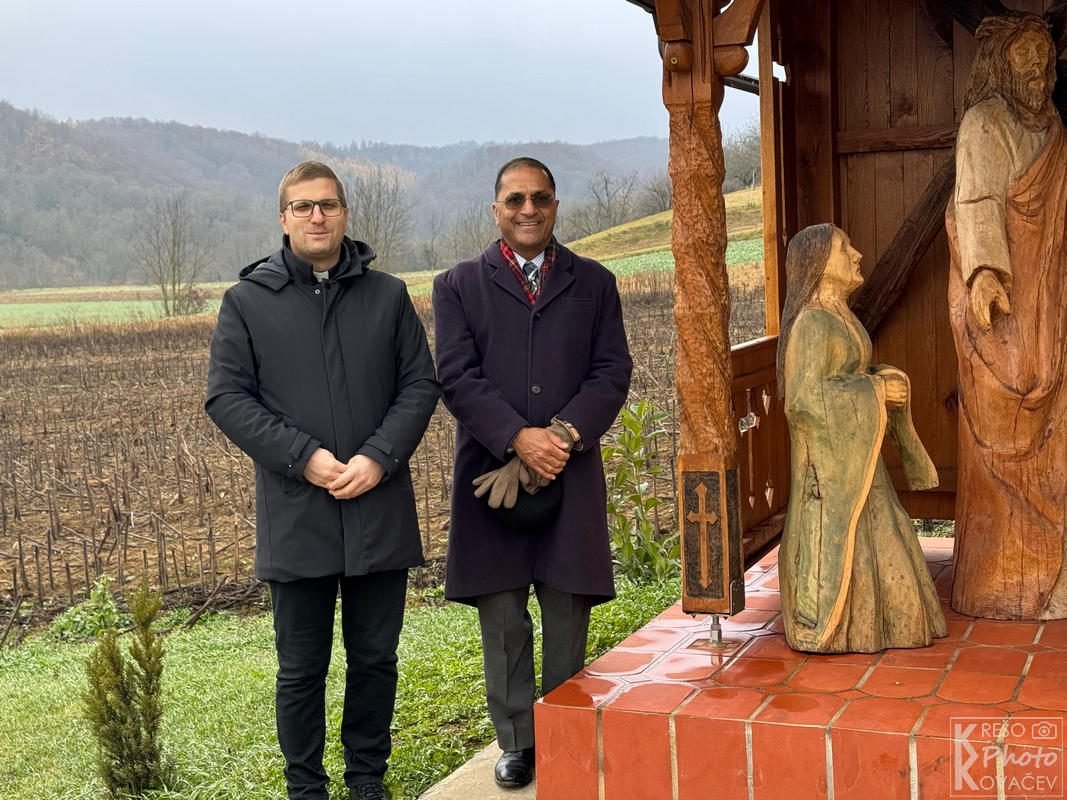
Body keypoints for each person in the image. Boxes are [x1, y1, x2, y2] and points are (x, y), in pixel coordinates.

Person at [205, 160, 439, 800]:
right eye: (304, 206)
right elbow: (227, 398)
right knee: (301, 669)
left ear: (344, 214)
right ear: (283, 218)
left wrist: (378, 457)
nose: (317, 216)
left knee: (374, 659)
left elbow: (420, 383)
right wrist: (303, 456)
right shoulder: (247, 302)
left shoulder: (387, 297)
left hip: (377, 505)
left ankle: (367, 778)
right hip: (297, 511)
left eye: (329, 205)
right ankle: (305, 786)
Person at [432, 157, 632, 788]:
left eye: (539, 198)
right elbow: (456, 376)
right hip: (490, 476)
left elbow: (612, 371)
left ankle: (566, 731)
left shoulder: (595, 283)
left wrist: (564, 435)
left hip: (569, 472)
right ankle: (518, 740)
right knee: (504, 615)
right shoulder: (458, 285)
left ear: (554, 206)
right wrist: (518, 438)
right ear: (496, 209)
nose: (528, 209)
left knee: (567, 607)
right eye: (515, 199)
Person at [946, 13, 1067, 620]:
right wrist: (984, 272)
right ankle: (1002, 574)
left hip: (1050, 300)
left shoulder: (1055, 131)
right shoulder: (984, 125)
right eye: (1027, 67)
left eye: (1046, 67)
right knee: (1008, 407)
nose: (1039, 78)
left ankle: (1053, 570)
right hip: (1001, 307)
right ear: (1004, 69)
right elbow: (975, 201)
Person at [776, 223, 946, 653]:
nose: (857, 255)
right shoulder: (813, 324)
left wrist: (880, 379)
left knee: (885, 537)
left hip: (858, 464)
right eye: (844, 248)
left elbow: (842, 378)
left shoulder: (841, 318)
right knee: (840, 548)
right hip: (829, 477)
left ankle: (883, 625)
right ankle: (833, 627)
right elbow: (804, 400)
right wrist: (874, 393)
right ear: (818, 264)